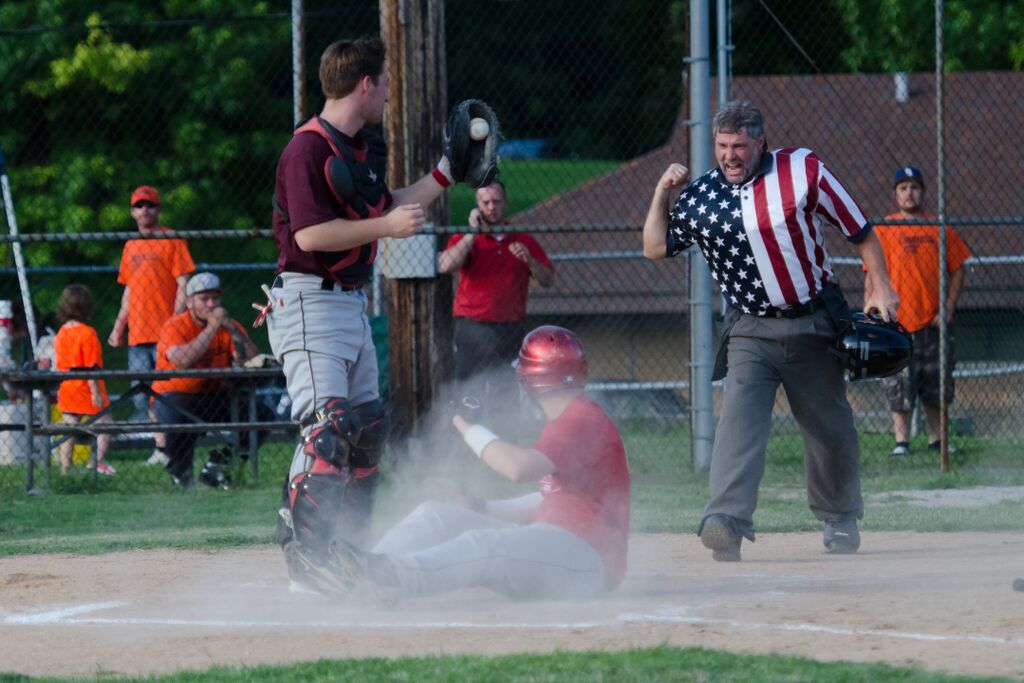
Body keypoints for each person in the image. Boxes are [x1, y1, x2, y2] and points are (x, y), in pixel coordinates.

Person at [642, 100, 900, 561]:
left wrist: (880, 287)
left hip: (815, 320)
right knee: (738, 420)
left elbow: (858, 229)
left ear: (760, 142)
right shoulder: (701, 197)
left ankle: (839, 517)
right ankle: (725, 521)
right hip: (749, 330)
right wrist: (663, 191)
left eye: (739, 145)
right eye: (722, 146)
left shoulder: (803, 169)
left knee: (828, 427)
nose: (730, 155)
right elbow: (656, 246)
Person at [264, 36, 459, 580]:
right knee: (327, 428)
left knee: (367, 428)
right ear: (365, 84)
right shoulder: (306, 150)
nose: (391, 93)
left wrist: (446, 172)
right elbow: (312, 233)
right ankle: (305, 554)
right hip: (308, 301)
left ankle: (346, 546)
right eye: (387, 82)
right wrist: (384, 228)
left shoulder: (359, 146)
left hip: (348, 303)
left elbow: (391, 205)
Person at [288, 325, 630, 605]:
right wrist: (481, 506)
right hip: (561, 544)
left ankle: (390, 578)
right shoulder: (571, 419)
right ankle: (357, 575)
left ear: (531, 380)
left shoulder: (582, 419)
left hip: (588, 561)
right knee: (436, 514)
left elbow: (517, 468)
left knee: (485, 547)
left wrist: (468, 427)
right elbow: (549, 500)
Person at [870, 166, 971, 457]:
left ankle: (937, 440)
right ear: (895, 195)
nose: (909, 193)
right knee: (899, 385)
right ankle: (901, 443)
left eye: (914, 187)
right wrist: (875, 310)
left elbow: (958, 269)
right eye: (903, 188)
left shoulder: (939, 228)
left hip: (932, 323)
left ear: (923, 193)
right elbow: (872, 275)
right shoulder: (884, 230)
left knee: (936, 385)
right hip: (897, 323)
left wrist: (947, 309)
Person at [438, 180, 554, 421]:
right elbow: (446, 265)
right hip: (473, 328)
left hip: (509, 329)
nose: (491, 207)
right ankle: (466, 444)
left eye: (496, 202)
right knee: (469, 394)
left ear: (505, 204)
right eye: (485, 202)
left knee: (506, 394)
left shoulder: (522, 240)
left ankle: (504, 445)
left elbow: (547, 279)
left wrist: (529, 260)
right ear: (477, 206)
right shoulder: (466, 237)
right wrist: (473, 232)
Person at [151, 272, 271, 488]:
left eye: (215, 298)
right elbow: (182, 361)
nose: (211, 304)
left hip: (215, 395)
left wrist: (233, 330)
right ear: (189, 302)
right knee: (178, 417)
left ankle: (218, 466)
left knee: (262, 415)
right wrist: (212, 328)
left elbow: (252, 359)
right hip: (175, 396)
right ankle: (181, 472)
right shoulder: (176, 325)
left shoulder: (228, 325)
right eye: (204, 299)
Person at [108, 185, 195, 467]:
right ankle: (162, 447)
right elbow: (129, 290)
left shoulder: (171, 239)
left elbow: (183, 283)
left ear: (158, 209)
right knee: (142, 394)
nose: (145, 210)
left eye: (150, 205)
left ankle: (171, 446)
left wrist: (175, 321)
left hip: (164, 334)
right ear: (132, 212)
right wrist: (118, 326)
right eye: (139, 205)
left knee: (168, 392)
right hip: (137, 334)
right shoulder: (131, 246)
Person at [53, 285, 115, 476]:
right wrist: (95, 392)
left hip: (67, 386)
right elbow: (92, 367)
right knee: (107, 426)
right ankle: (95, 463)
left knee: (69, 429)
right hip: (86, 387)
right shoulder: (87, 333)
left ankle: (65, 469)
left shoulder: (61, 332)